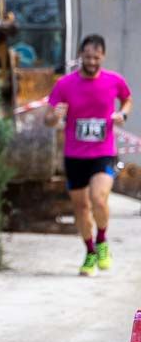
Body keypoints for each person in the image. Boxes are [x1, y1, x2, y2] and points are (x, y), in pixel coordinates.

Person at [45, 34, 133, 276]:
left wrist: (122, 115)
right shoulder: (65, 84)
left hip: (103, 153)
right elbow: (48, 119)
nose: (91, 61)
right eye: (87, 56)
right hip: (74, 156)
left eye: (96, 57)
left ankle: (102, 240)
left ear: (102, 56)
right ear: (80, 56)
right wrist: (55, 116)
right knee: (81, 208)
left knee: (99, 199)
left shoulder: (114, 81)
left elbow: (127, 99)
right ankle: (90, 251)